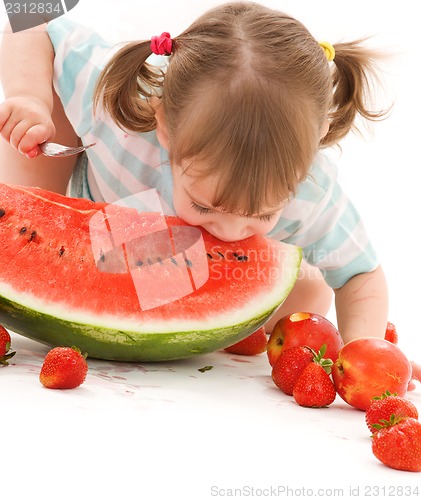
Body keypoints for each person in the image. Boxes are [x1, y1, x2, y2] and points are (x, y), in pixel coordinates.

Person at [0, 1, 389, 341]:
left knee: (305, 296)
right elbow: (32, 16)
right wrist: (27, 96)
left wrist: (366, 351)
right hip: (91, 206)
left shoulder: (311, 192)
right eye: (204, 206)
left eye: (264, 214)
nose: (229, 232)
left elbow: (361, 274)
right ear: (165, 125)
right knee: (31, 128)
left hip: (177, 266)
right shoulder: (119, 103)